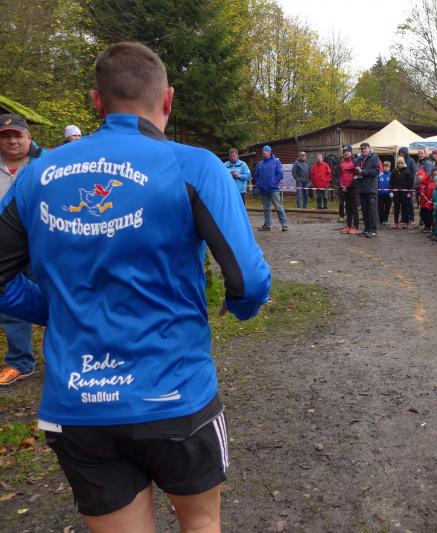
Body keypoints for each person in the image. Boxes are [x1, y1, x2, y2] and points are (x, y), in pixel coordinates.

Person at [0, 41, 271, 532]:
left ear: (96, 102)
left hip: (77, 403)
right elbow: (249, 280)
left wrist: (50, 309)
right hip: (174, 394)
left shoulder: (36, 174)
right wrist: (242, 307)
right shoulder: (193, 165)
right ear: (167, 99)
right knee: (201, 523)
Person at [0, 114, 42, 385]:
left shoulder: (48, 163)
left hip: (42, 242)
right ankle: (20, 361)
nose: (12, 141)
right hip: (6, 247)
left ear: (28, 137)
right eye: (6, 136)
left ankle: (65, 355)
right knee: (10, 302)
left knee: (56, 297)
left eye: (17, 135)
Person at [254, 145, 288, 232]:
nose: (263, 152)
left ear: (269, 152)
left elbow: (280, 174)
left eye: (265, 151)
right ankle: (267, 225)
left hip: (273, 189)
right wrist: (259, 184)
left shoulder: (276, 162)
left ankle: (284, 224)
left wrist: (274, 183)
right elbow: (256, 176)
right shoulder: (260, 164)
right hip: (263, 190)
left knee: (278, 207)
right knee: (266, 208)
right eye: (263, 151)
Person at [354, 142, 381, 238]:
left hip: (371, 188)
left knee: (372, 210)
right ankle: (366, 229)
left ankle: (373, 230)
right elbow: (357, 170)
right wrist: (356, 172)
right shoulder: (359, 158)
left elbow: (376, 171)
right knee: (364, 210)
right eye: (361, 149)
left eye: (365, 148)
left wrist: (363, 172)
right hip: (362, 188)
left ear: (369, 148)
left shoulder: (374, 157)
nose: (363, 150)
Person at [339, 145, 359, 234]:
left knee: (354, 208)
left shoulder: (355, 161)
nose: (346, 153)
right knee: (348, 208)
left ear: (351, 152)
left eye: (348, 151)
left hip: (353, 188)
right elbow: (341, 175)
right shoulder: (342, 162)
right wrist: (342, 185)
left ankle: (356, 226)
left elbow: (357, 176)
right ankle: (349, 225)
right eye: (345, 152)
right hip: (344, 188)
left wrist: (348, 186)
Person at [391, 157, 413, 228]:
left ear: (404, 163)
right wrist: (391, 190)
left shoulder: (407, 171)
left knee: (405, 207)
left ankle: (405, 222)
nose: (400, 164)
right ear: (397, 164)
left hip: (405, 192)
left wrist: (409, 191)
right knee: (396, 207)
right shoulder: (394, 171)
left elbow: (410, 182)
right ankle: (395, 222)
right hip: (396, 192)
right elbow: (391, 181)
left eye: (401, 163)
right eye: (399, 163)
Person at [378, 160, 393, 226]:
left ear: (390, 167)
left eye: (388, 167)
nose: (387, 168)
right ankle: (380, 220)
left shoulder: (392, 175)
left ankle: (385, 220)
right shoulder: (380, 175)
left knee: (387, 208)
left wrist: (391, 192)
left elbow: (393, 184)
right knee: (380, 209)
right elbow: (377, 184)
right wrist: (378, 191)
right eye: (385, 167)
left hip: (388, 195)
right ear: (383, 167)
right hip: (380, 195)